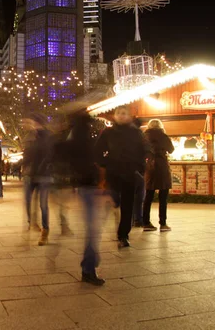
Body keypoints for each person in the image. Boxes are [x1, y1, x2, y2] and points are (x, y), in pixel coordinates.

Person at [59, 110, 104, 285]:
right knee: (93, 228)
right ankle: (88, 267)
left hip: (86, 185)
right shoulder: (82, 135)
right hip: (87, 185)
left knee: (93, 228)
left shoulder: (76, 134)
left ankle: (90, 264)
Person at [95, 106, 146, 248]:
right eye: (119, 113)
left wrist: (140, 168)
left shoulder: (136, 133)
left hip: (130, 173)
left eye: (124, 113)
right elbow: (98, 150)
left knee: (127, 205)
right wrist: (105, 163)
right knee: (115, 199)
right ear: (115, 116)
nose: (121, 116)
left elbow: (144, 150)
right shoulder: (108, 132)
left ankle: (123, 235)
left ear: (129, 116)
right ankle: (114, 205)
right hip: (114, 172)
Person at [22, 113, 54, 246]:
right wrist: (20, 164)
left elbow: (49, 155)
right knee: (28, 201)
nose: (31, 125)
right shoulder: (33, 137)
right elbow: (30, 154)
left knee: (43, 204)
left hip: (44, 175)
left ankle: (45, 231)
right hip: (32, 174)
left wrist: (42, 167)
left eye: (33, 122)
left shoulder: (47, 137)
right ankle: (32, 222)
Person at [143, 119, 175, 232]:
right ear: (160, 126)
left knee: (148, 196)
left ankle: (146, 223)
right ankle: (163, 223)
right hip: (161, 166)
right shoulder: (163, 136)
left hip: (149, 167)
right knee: (163, 196)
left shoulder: (144, 136)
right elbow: (171, 149)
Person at [132, 117, 145, 227]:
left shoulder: (123, 134)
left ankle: (131, 219)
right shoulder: (139, 135)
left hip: (126, 170)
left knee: (128, 196)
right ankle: (138, 219)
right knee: (139, 196)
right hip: (137, 169)